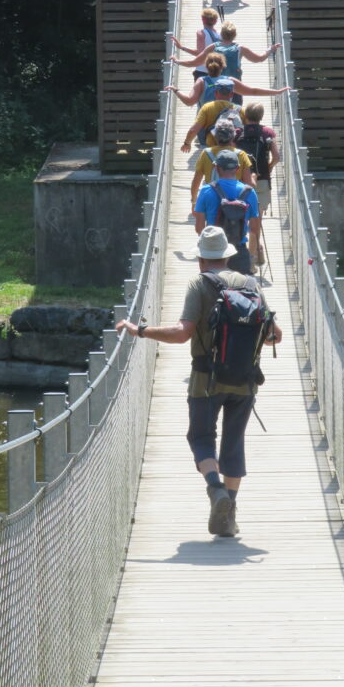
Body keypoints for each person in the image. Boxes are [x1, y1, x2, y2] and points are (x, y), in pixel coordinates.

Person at [116, 226, 282, 537]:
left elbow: (182, 334)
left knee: (201, 437)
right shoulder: (251, 284)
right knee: (234, 442)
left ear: (201, 259)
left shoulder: (199, 284)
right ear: (227, 256)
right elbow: (275, 335)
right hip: (245, 381)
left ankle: (215, 489)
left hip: (206, 379)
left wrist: (140, 331)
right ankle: (229, 513)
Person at [172, 21, 282, 104]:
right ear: (234, 35)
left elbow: (194, 62)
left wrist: (177, 61)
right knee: (234, 115)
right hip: (234, 87)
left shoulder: (213, 47)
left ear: (221, 34)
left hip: (214, 87)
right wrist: (270, 50)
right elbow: (259, 58)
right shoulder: (240, 48)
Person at [195, 149, 260, 275]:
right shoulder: (249, 192)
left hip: (213, 252)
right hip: (239, 252)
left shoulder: (206, 190)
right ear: (238, 168)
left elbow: (199, 228)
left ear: (216, 168)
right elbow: (254, 229)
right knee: (241, 287)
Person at [168, 47, 287, 110]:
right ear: (223, 66)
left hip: (206, 127)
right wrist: (277, 92)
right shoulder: (230, 81)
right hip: (226, 127)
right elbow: (253, 91)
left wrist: (175, 90)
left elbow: (189, 102)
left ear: (206, 66)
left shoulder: (201, 81)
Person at [189, 120, 255, 215]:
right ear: (233, 136)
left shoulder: (206, 153)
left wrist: (194, 202)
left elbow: (196, 181)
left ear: (215, 135)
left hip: (211, 198)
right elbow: (248, 183)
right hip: (236, 202)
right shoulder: (241, 155)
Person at [240, 103, 279, 216]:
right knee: (257, 217)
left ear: (245, 115)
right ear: (261, 116)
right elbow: (276, 157)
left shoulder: (238, 132)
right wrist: (269, 167)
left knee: (240, 214)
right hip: (262, 177)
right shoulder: (268, 132)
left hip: (241, 179)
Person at [170, 8, 221, 82]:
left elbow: (199, 53)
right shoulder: (219, 34)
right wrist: (181, 47)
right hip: (216, 72)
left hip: (202, 72)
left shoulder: (201, 33)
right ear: (215, 21)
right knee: (213, 89)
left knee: (202, 90)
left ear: (203, 19)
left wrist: (177, 60)